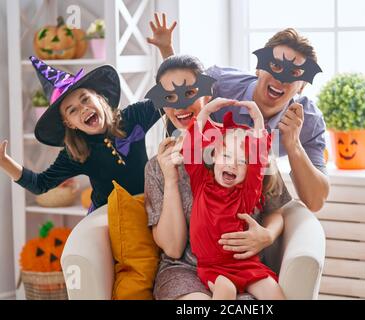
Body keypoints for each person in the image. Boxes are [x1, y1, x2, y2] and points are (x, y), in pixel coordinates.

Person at [148, 13, 330, 212]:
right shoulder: (219, 84)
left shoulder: (307, 120)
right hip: (202, 183)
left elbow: (315, 202)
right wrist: (167, 51)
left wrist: (293, 144)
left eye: (294, 73)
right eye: (275, 66)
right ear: (259, 68)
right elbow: (181, 87)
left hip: (248, 195)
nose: (280, 79)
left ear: (303, 86)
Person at [144, 54, 291, 300]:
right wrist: (170, 180)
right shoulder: (157, 166)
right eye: (169, 98)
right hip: (185, 272)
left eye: (189, 94)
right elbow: (173, 247)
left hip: (244, 266)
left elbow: (275, 208)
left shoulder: (245, 143)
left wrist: (267, 235)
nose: (179, 106)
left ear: (207, 95)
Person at [0, 57, 161, 211]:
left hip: (148, 205)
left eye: (85, 99)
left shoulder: (133, 117)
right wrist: (4, 162)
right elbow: (40, 184)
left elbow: (170, 95)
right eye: (72, 110)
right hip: (107, 216)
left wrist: (166, 48)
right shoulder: (76, 153)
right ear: (69, 123)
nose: (83, 108)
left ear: (98, 97)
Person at [182, 97, 285, 300]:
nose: (233, 165)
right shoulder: (201, 183)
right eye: (227, 156)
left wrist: (257, 120)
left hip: (245, 263)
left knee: (274, 292)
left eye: (242, 161)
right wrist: (205, 112)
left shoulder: (246, 194)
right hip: (212, 266)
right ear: (214, 155)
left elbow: (259, 162)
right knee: (226, 290)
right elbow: (190, 149)